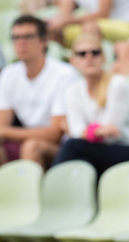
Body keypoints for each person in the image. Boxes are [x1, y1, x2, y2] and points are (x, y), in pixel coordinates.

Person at [53, 33, 129, 176]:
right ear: (73, 60)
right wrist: (94, 131)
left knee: (73, 146)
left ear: (103, 58)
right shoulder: (73, 90)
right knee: (81, 159)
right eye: (82, 54)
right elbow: (77, 129)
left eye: (95, 52)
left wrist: (84, 132)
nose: (89, 57)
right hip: (104, 150)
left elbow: (110, 134)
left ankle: (49, 190)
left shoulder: (117, 84)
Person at [0, 15, 78, 168]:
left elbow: (55, 134)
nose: (21, 43)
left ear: (44, 41)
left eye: (28, 37)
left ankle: (30, 192)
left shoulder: (64, 74)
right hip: (26, 140)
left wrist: (6, 132)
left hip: (62, 149)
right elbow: (2, 125)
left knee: (32, 146)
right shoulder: (9, 73)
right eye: (16, 37)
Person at [47, 0, 129, 47]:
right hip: (99, 24)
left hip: (128, 26)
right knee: (52, 29)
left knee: (90, 27)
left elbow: (103, 14)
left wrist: (67, 21)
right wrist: (55, 23)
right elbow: (64, 15)